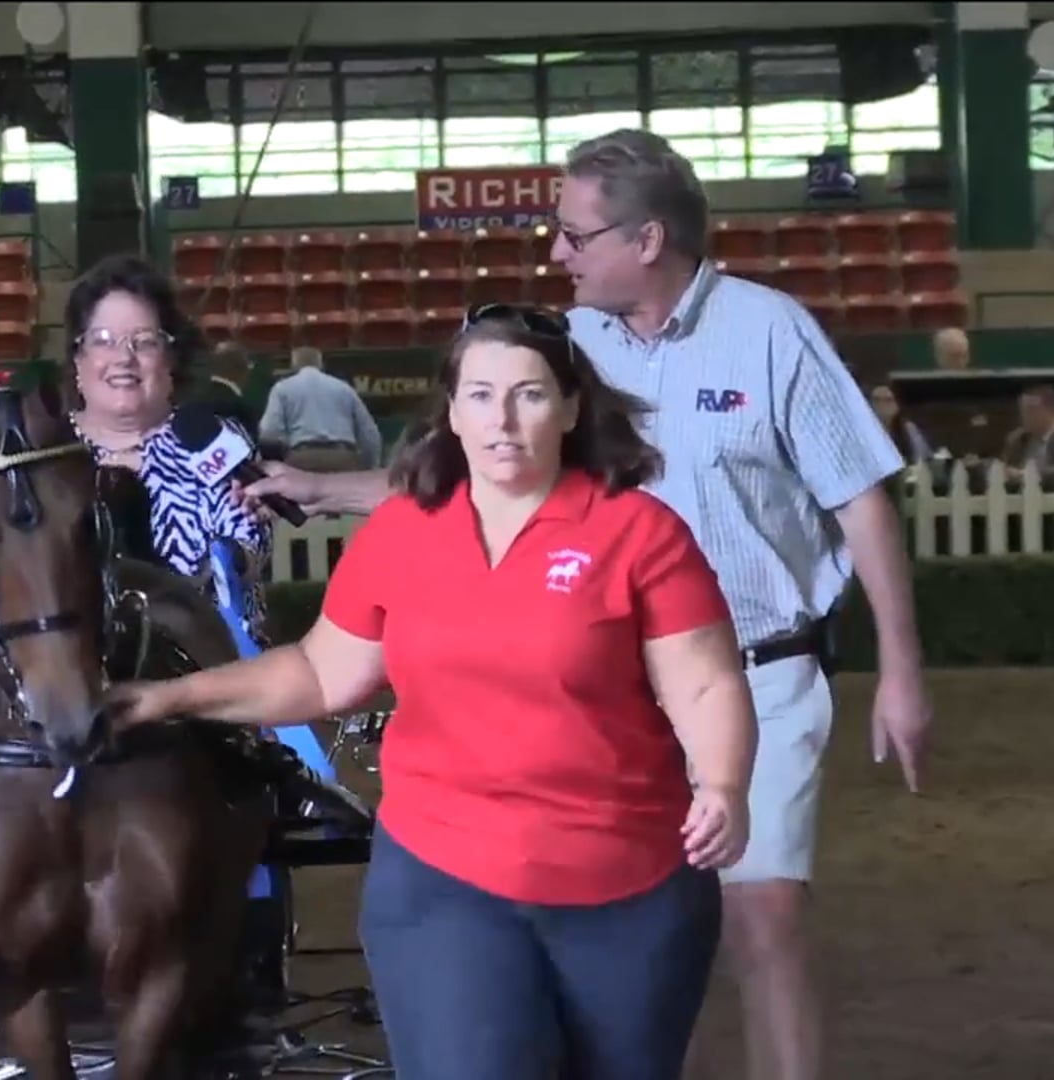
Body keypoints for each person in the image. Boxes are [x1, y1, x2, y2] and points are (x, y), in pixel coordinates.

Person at [237, 129, 933, 1080]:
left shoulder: (770, 331)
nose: (556, 252)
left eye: (572, 233)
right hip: (600, 687)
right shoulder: (571, 351)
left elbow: (858, 495)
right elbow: (475, 478)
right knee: (626, 930)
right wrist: (325, 493)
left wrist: (901, 669)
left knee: (761, 915)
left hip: (758, 669)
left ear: (645, 240)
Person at [107, 303, 758, 1080]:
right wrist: (163, 700)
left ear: (573, 406)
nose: (503, 420)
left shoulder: (638, 533)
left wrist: (722, 783)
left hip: (630, 887)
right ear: (451, 411)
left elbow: (707, 682)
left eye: (531, 394)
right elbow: (322, 672)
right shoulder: (404, 531)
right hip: (444, 880)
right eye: (480, 395)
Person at [62, 254, 269, 582]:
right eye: (102, 341)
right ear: (78, 358)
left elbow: (250, 549)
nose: (123, 358)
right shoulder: (49, 452)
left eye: (144, 342)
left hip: (206, 629)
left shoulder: (216, 441)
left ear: (171, 357)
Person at [257, 345, 384, 472]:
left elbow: (270, 431)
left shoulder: (282, 388)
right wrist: (369, 465)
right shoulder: (344, 388)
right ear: (321, 364)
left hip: (301, 458)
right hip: (343, 457)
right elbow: (370, 433)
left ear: (293, 365)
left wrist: (275, 463)